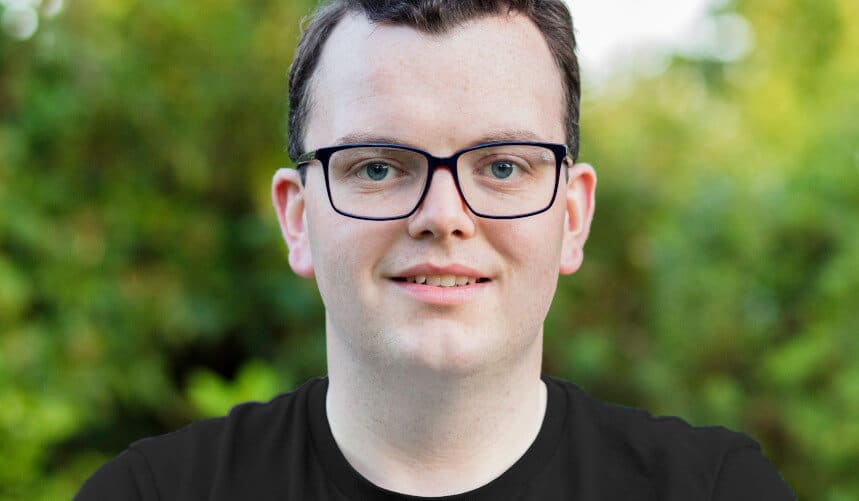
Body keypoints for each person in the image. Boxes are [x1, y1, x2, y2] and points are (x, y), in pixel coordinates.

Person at [75, 0, 796, 499]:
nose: (442, 216)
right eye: (379, 167)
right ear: (298, 219)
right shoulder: (151, 494)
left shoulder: (714, 491)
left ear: (572, 216)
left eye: (503, 165)